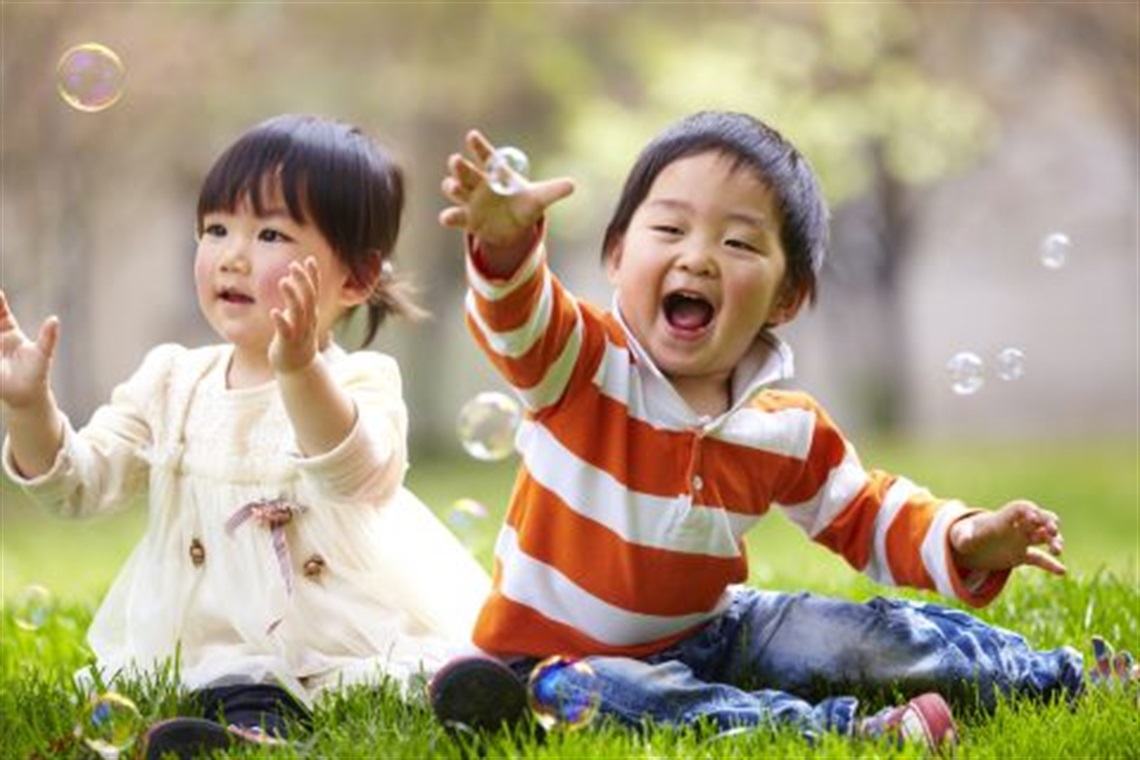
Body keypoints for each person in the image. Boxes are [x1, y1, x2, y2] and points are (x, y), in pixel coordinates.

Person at [427, 111, 1134, 749]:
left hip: (716, 627)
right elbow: (516, 322)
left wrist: (966, 537)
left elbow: (866, 511)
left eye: (738, 241)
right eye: (669, 229)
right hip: (558, 662)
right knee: (631, 698)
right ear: (617, 257)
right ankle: (857, 734)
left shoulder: (784, 428)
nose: (698, 256)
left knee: (859, 636)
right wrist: (507, 246)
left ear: (787, 295)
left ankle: (1053, 677)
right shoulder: (580, 365)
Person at [0, 114, 490, 757]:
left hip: (342, 624)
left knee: (406, 668)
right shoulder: (170, 381)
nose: (231, 254)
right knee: (235, 680)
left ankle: (472, 696)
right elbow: (77, 486)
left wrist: (301, 371)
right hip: (219, 633)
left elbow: (355, 472)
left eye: (269, 233)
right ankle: (241, 731)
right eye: (215, 229)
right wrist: (30, 409)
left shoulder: (364, 380)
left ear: (357, 277)